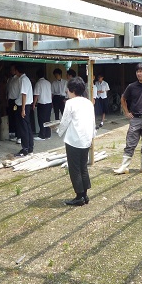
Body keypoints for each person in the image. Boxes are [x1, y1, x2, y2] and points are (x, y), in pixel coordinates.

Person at [57, 77, 95, 206]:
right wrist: (92, 136)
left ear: (72, 90)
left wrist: (58, 131)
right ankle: (84, 195)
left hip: (74, 140)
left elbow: (65, 121)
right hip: (86, 139)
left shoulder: (70, 103)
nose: (67, 92)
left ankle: (79, 197)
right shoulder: (88, 102)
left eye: (68, 89)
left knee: (74, 169)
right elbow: (93, 121)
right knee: (83, 166)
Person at [114, 63, 142, 175]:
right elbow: (123, 98)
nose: (139, 73)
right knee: (130, 143)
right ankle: (124, 166)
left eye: (141, 71)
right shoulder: (132, 86)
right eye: (137, 71)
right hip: (135, 119)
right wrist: (126, 112)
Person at [14, 64, 34, 157]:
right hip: (26, 105)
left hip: (24, 106)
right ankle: (30, 147)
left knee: (23, 128)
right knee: (27, 127)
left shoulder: (23, 80)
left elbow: (24, 95)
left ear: (17, 71)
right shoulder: (25, 79)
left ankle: (25, 149)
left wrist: (22, 109)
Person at [33, 69, 53, 141]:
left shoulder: (38, 83)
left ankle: (42, 135)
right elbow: (51, 93)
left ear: (37, 76)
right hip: (49, 103)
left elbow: (36, 95)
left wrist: (34, 104)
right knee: (48, 119)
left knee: (41, 120)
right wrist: (51, 102)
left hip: (42, 104)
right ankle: (48, 134)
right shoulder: (48, 83)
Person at [6, 64, 20, 143]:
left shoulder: (18, 79)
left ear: (16, 70)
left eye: (12, 69)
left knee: (16, 117)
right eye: (10, 70)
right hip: (10, 100)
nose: (11, 71)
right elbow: (8, 91)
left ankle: (18, 135)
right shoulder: (10, 79)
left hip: (16, 100)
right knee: (11, 116)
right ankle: (12, 133)